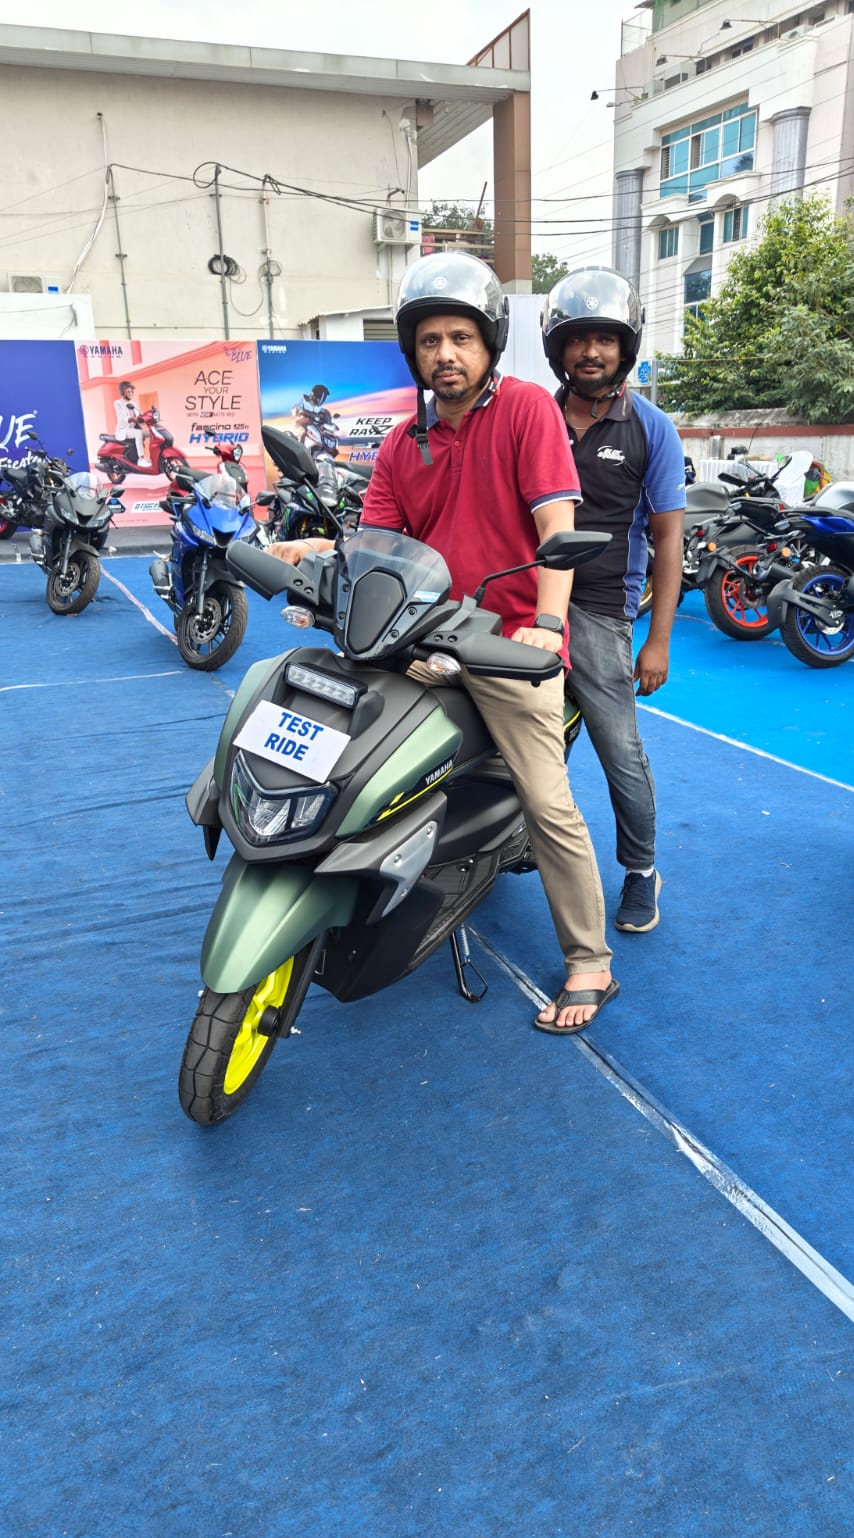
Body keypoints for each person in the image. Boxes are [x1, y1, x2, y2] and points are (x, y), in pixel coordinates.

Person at [270, 252, 617, 1034]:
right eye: (430, 341)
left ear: (488, 344)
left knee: (547, 800)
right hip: (416, 631)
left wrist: (547, 625)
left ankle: (590, 962)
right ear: (413, 352)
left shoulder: (526, 412)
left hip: (506, 640)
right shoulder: (403, 442)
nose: (446, 354)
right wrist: (323, 567)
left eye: (461, 337)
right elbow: (378, 542)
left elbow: (556, 527)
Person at [540, 266, 686, 934]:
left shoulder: (651, 428)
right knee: (508, 740)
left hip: (601, 610)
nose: (590, 352)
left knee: (619, 752)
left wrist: (657, 641)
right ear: (558, 347)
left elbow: (668, 539)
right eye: (578, 338)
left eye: (604, 339)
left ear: (625, 347)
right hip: (529, 604)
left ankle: (641, 870)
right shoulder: (534, 417)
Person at [113, 380, 151, 467]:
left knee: (151, 433)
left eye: (132, 392)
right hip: (124, 430)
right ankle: (141, 459)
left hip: (133, 429)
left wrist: (149, 416)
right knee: (138, 433)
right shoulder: (118, 403)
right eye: (129, 391)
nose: (131, 393)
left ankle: (153, 456)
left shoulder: (133, 404)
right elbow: (122, 418)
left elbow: (141, 414)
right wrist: (131, 419)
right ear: (123, 392)